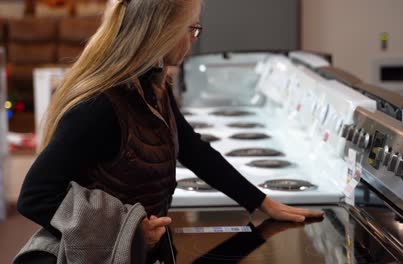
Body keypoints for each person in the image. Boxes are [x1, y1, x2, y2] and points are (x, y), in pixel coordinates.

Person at [16, 0, 324, 262]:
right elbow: (35, 196)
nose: (194, 38)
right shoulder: (100, 106)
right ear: (160, 32)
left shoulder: (152, 85)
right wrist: (129, 229)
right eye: (190, 29)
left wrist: (263, 203)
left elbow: (191, 147)